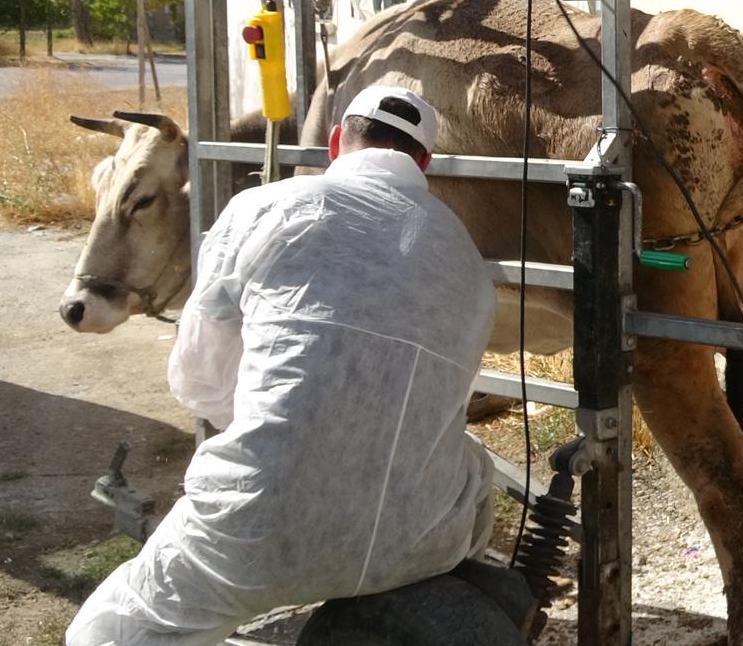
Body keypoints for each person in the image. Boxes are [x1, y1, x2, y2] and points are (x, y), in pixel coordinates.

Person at [68, 86, 498, 646]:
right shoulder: (465, 256)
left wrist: (294, 429)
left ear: (337, 141)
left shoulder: (262, 208)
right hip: (421, 539)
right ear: (425, 163)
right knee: (476, 474)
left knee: (105, 633)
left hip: (252, 532)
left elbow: (197, 378)